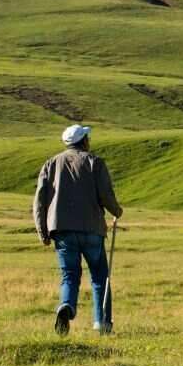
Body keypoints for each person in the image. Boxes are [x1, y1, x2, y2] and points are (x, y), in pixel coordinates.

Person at [32, 124, 123, 336]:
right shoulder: (95, 163)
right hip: (92, 228)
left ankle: (66, 306)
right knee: (100, 276)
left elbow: (39, 201)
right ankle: (102, 323)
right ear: (84, 141)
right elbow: (106, 196)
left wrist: (42, 231)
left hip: (62, 229)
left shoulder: (51, 163)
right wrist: (116, 211)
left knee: (69, 275)